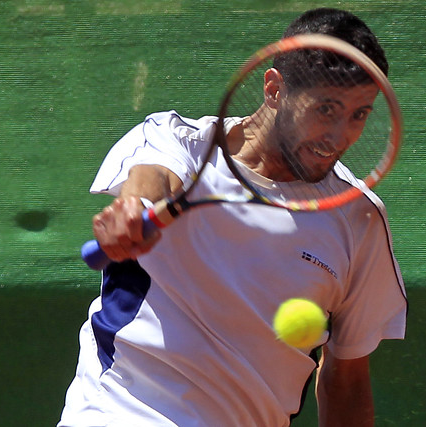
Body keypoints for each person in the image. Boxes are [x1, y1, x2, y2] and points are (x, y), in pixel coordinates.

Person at [59, 8, 407, 427]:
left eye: (359, 115)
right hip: (123, 413)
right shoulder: (176, 142)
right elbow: (152, 179)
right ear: (275, 89)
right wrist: (134, 211)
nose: (338, 136)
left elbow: (347, 379)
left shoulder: (358, 218)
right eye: (326, 109)